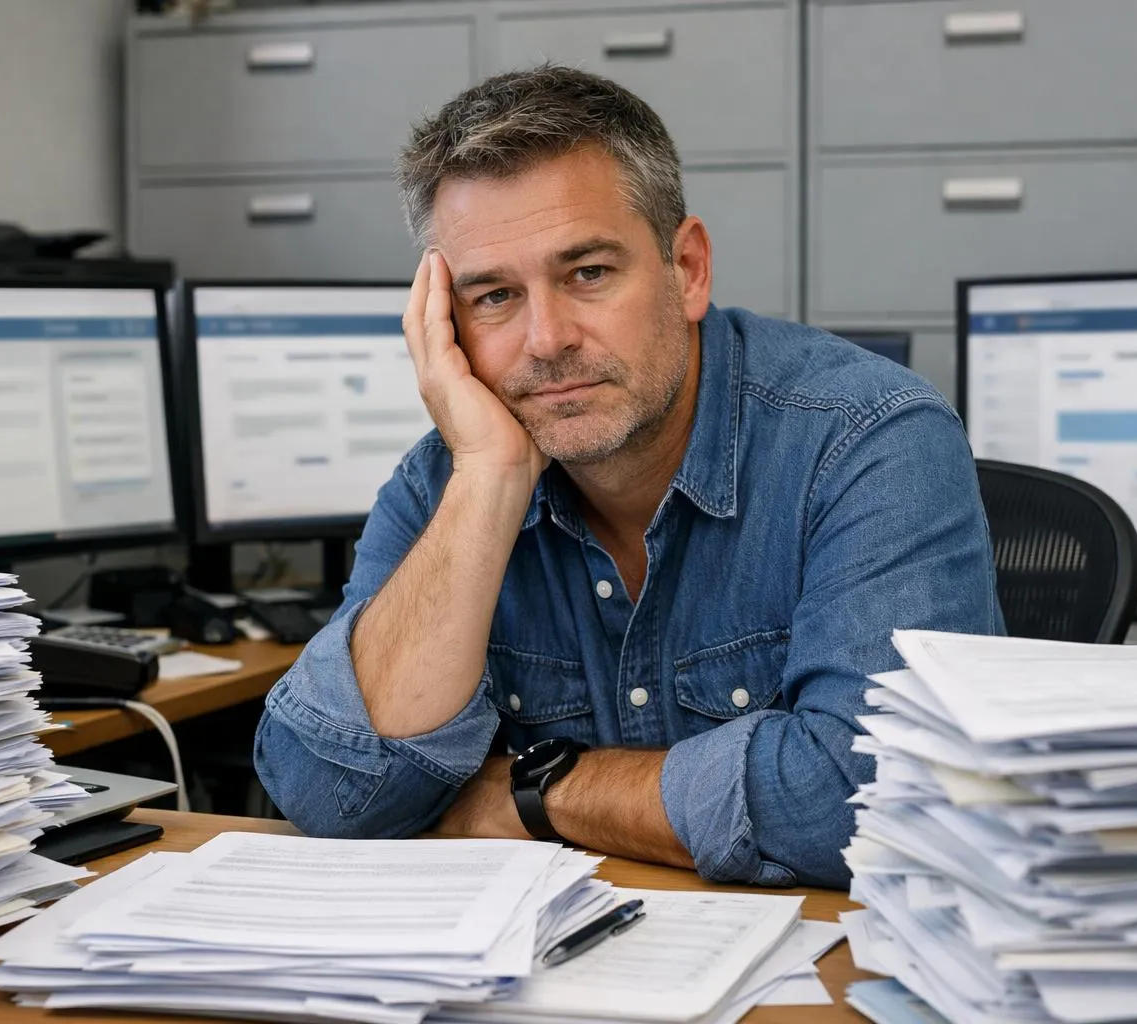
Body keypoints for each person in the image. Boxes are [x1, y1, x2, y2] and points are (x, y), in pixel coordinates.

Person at [253, 65, 1001, 888]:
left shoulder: (867, 439)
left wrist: (534, 793)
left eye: (588, 274)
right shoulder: (451, 479)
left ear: (687, 269)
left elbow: (876, 799)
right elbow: (331, 794)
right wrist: (491, 479)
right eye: (494, 296)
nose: (546, 339)